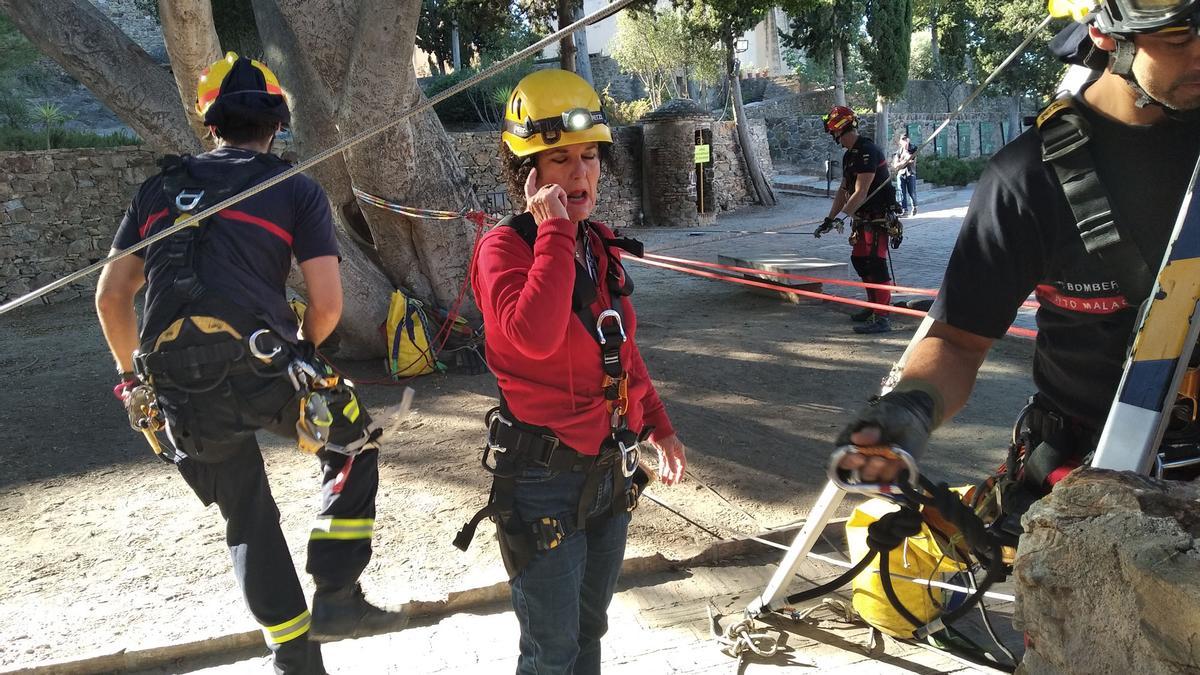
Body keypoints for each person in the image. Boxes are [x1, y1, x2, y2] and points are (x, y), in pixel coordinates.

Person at [94, 52, 405, 675]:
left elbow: (110, 296)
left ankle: (293, 657)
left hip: (177, 385)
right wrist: (303, 357)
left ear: (210, 124)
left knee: (246, 511)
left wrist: (133, 383)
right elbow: (326, 306)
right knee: (352, 443)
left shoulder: (156, 191)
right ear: (278, 124)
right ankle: (338, 598)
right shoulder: (292, 188)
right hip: (262, 366)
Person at [833, 1, 1200, 505]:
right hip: (1093, 484)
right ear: (1107, 34)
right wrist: (915, 406)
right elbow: (959, 342)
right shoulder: (1029, 180)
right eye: (1179, 40)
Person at [461, 68, 688, 675]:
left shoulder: (595, 244)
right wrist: (555, 230)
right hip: (543, 484)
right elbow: (531, 338)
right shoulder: (504, 249)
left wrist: (658, 425)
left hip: (609, 473)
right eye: (560, 160)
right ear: (527, 173)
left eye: (589, 157)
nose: (582, 173)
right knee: (550, 651)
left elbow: (622, 351)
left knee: (591, 630)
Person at [814, 106, 902, 335]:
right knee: (860, 260)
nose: (834, 138)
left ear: (840, 130)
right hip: (862, 219)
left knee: (876, 263)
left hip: (877, 217)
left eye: (833, 133)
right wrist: (829, 219)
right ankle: (873, 307)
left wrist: (841, 217)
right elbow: (844, 190)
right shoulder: (849, 155)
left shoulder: (867, 151)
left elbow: (861, 192)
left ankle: (883, 317)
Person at [893, 133, 918, 217]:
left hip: (910, 173)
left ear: (908, 140)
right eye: (902, 140)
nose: (904, 141)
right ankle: (904, 211)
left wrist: (902, 162)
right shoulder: (899, 151)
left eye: (905, 139)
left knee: (912, 192)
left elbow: (911, 159)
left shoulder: (913, 148)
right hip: (901, 173)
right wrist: (903, 162)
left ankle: (914, 206)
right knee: (902, 193)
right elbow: (895, 164)